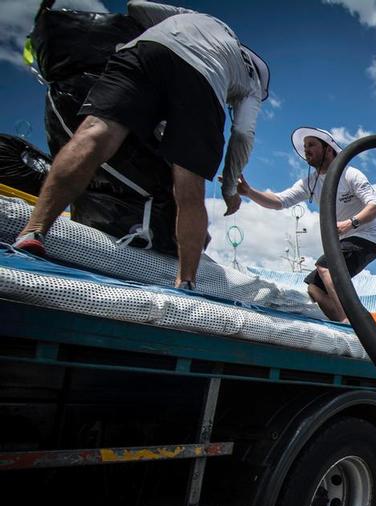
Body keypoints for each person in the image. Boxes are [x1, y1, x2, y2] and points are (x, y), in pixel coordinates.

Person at [13, 1, 269, 290]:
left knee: (94, 134)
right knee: (189, 187)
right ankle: (185, 281)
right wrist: (230, 189)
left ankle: (33, 231)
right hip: (204, 81)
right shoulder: (252, 82)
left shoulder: (200, 17)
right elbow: (244, 133)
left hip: (145, 51)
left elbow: (135, 6)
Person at [235, 127, 376, 322]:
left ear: (329, 149)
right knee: (314, 287)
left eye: (312, 144)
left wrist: (351, 223)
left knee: (325, 267)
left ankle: (353, 322)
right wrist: (249, 192)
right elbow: (279, 201)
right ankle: (348, 324)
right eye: (305, 146)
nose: (306, 150)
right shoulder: (310, 183)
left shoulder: (350, 174)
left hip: (367, 237)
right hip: (344, 240)